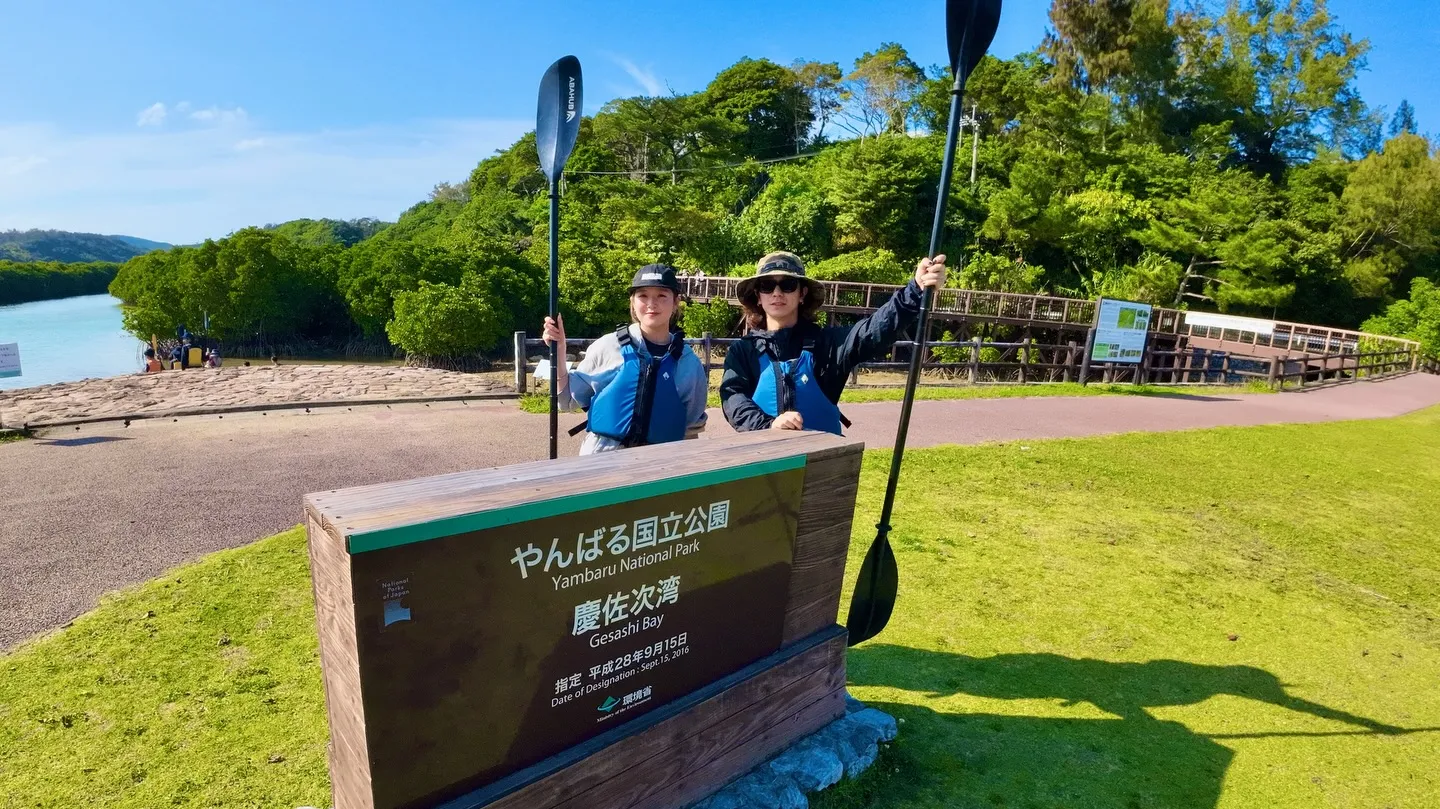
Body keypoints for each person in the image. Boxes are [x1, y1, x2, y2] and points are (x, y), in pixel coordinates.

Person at [720, 250, 947, 435]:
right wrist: (768, 425)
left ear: (802, 294)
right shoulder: (743, 351)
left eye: (788, 285)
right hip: (763, 463)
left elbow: (875, 329)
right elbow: (733, 398)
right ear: (758, 296)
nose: (777, 293)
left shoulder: (830, 344)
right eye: (767, 286)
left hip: (823, 465)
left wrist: (915, 290)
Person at [541, 264, 708, 455]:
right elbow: (566, 399)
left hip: (662, 462)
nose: (651, 304)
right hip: (604, 459)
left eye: (662, 295)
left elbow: (691, 428)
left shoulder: (688, 362)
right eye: (643, 296)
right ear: (632, 301)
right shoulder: (608, 346)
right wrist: (560, 349)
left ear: (676, 301)